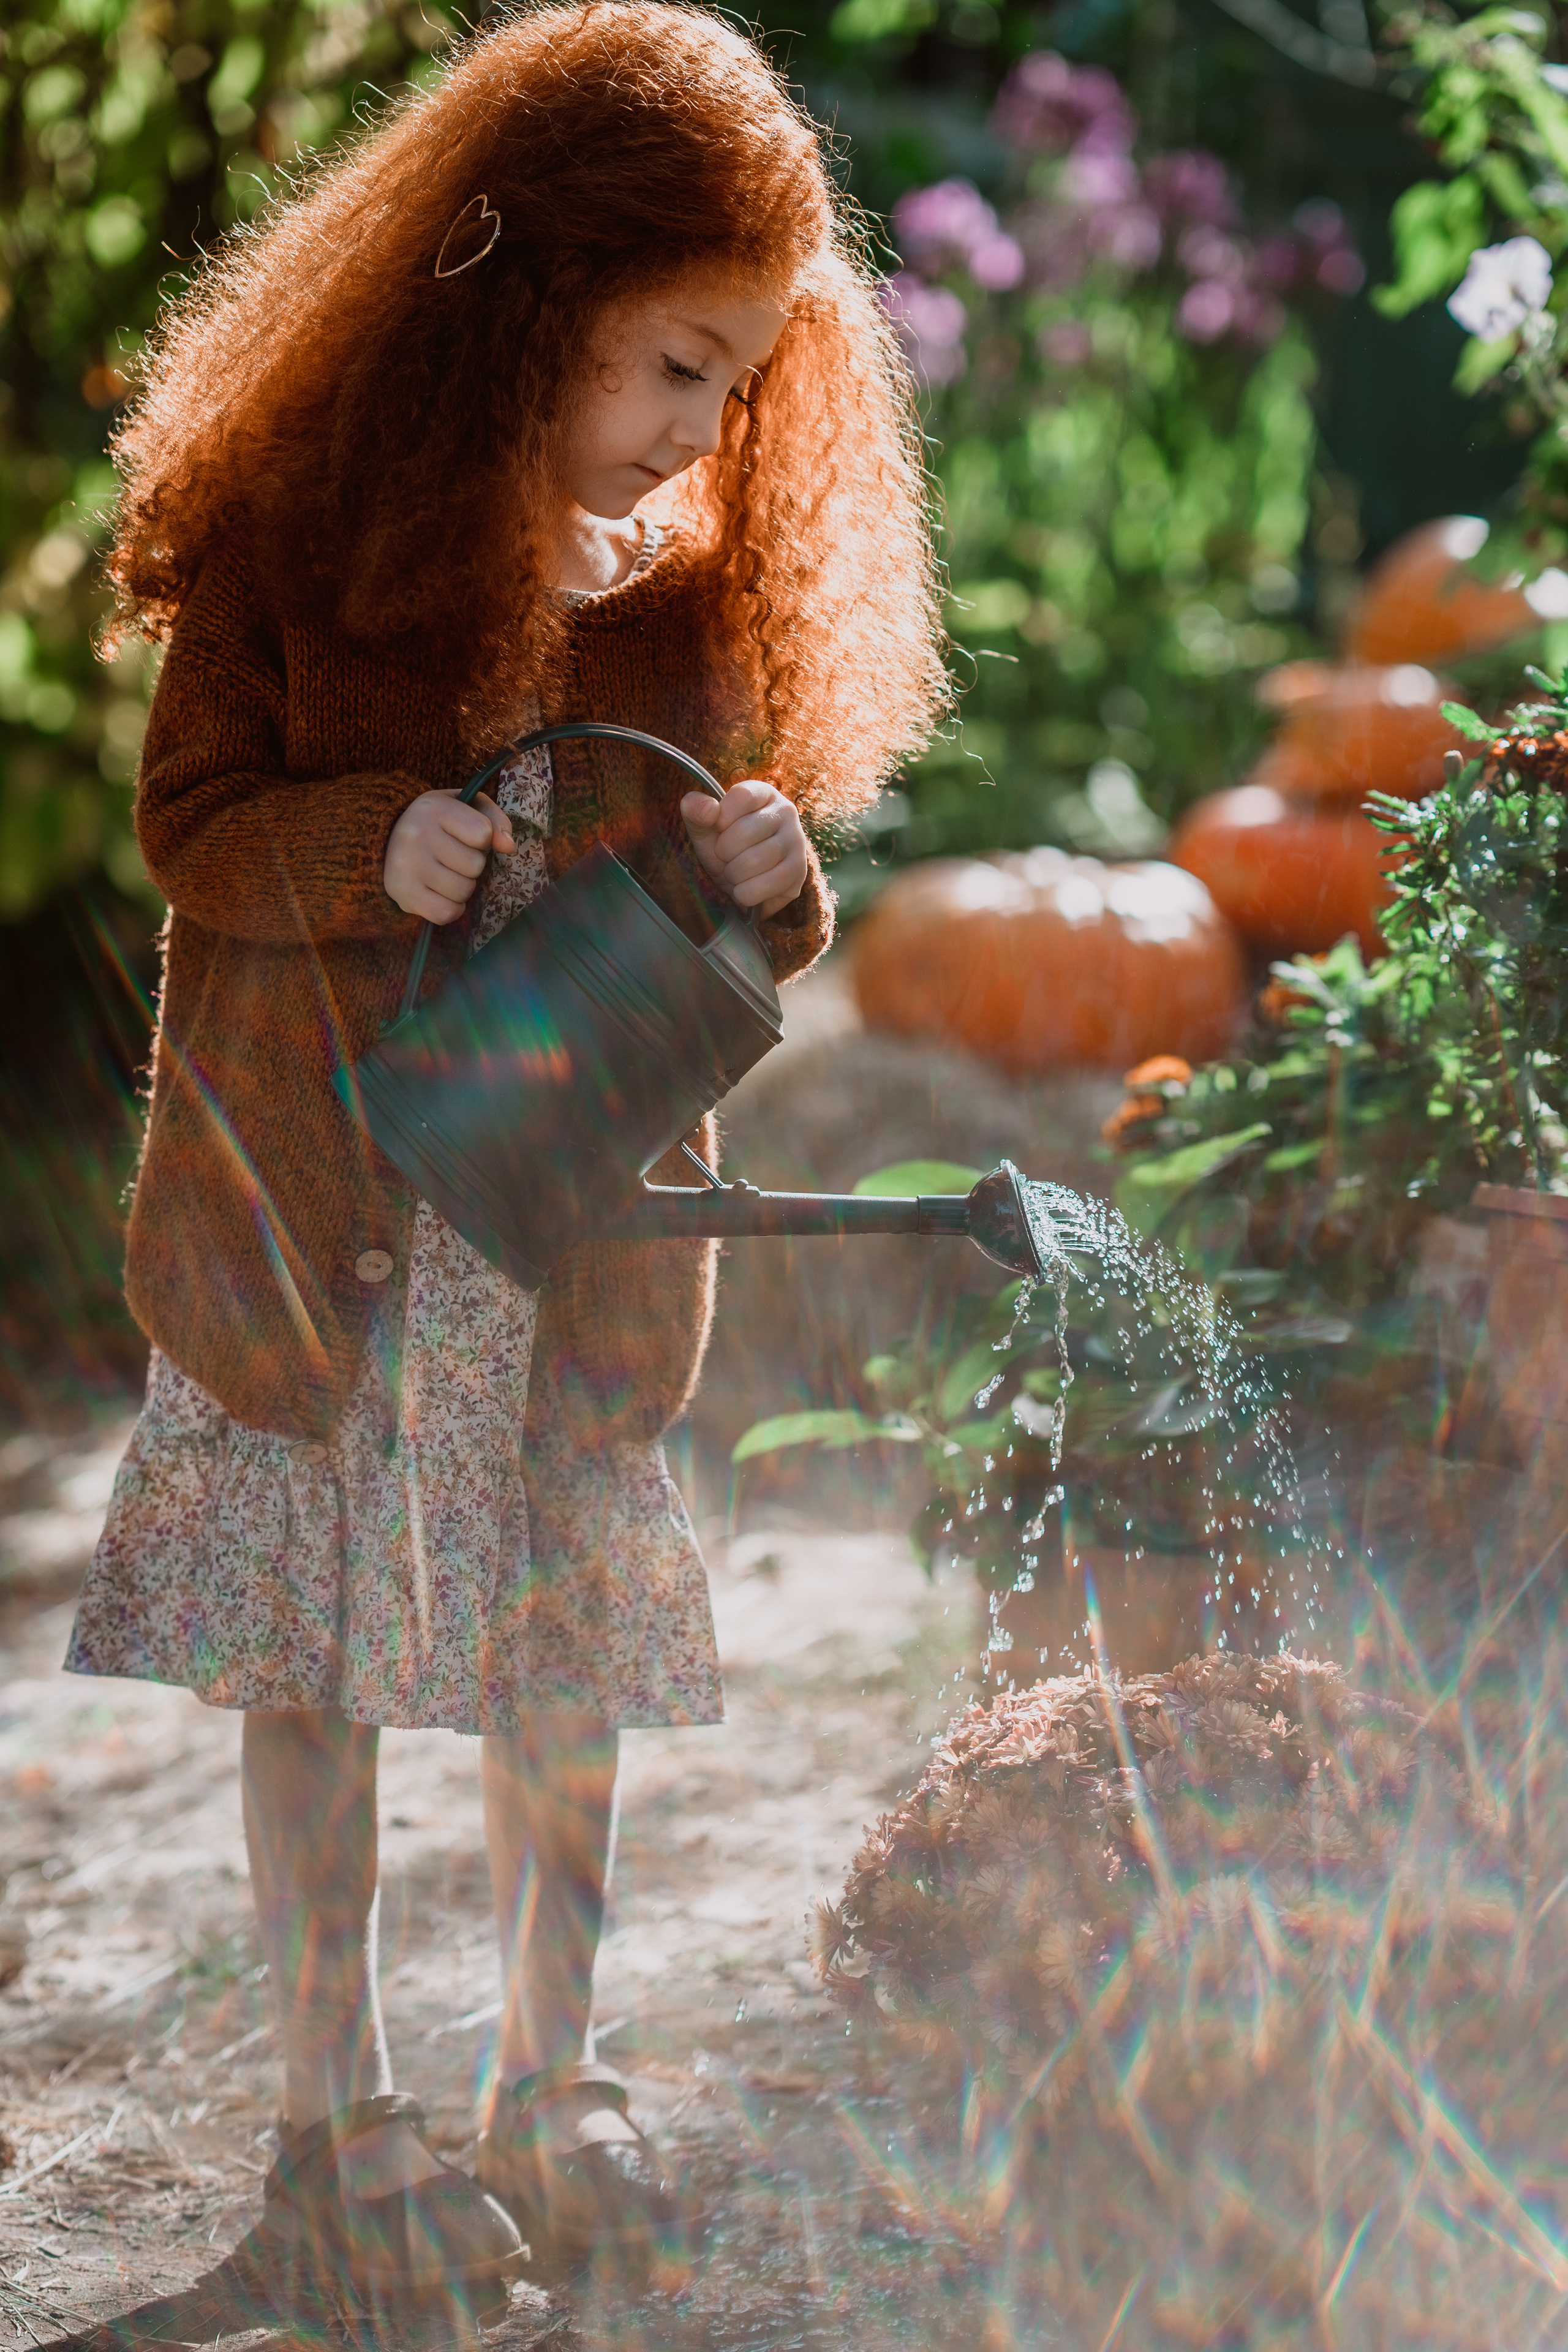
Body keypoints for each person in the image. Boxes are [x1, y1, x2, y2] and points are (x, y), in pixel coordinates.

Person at [67, 0, 946, 2302]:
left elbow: (717, 966)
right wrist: (382, 841)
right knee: (321, 1656)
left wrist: (769, 871)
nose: (701, 429)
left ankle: (552, 2090)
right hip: (328, 1232)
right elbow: (190, 828)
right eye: (673, 362)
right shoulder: (291, 539)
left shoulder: (676, 591)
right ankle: (326, 2124)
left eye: (742, 382)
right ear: (515, 293)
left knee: (566, 1668)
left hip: (571, 1251)